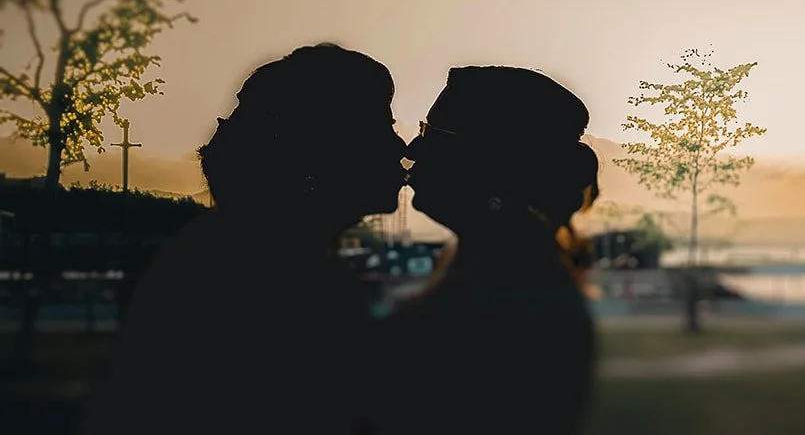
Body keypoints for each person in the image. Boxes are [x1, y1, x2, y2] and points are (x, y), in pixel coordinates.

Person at [82, 44, 408, 435]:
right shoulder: (262, 278)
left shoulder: (246, 254)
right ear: (322, 150)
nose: (401, 146)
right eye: (382, 126)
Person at [369, 66, 599, 435]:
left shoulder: (511, 287)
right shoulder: (503, 260)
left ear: (493, 160)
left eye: (434, 134)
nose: (413, 147)